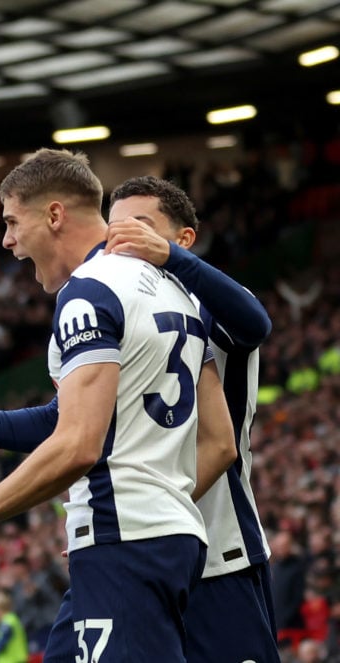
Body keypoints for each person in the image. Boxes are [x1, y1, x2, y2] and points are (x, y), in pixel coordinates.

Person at [0, 149, 236, 662]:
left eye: (11, 221)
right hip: (164, 535)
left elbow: (77, 444)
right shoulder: (172, 287)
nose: (7, 241)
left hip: (126, 540)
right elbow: (216, 440)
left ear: (53, 215)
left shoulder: (88, 293)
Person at [105, 175, 279, 663]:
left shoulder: (209, 299)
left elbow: (254, 324)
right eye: (114, 228)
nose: (123, 238)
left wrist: (169, 260)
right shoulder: (113, 309)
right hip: (145, 558)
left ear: (183, 239)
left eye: (140, 226)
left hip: (221, 551)